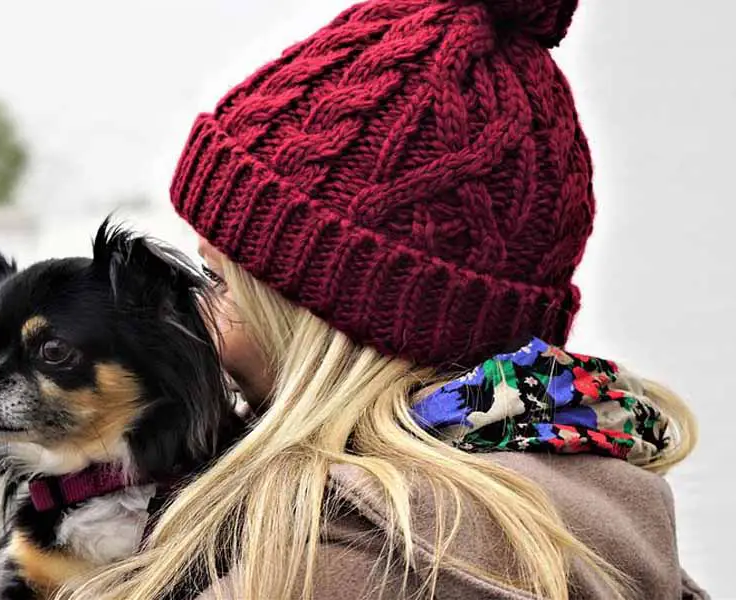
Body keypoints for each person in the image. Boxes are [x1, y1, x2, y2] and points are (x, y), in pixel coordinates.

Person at [68, 0, 707, 598]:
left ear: (321, 322)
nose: (196, 322)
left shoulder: (335, 568)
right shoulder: (601, 504)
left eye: (220, 282)